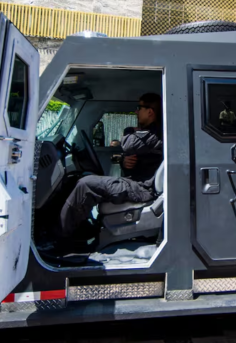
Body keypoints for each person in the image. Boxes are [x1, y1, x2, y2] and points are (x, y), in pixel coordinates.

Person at [57, 93, 163, 253]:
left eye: (139, 108)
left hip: (142, 189)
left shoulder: (156, 133)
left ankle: (62, 241)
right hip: (136, 183)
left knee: (86, 184)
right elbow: (134, 156)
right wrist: (124, 162)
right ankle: (80, 231)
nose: (136, 112)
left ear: (150, 112)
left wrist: (128, 131)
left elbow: (128, 145)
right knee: (85, 180)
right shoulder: (147, 133)